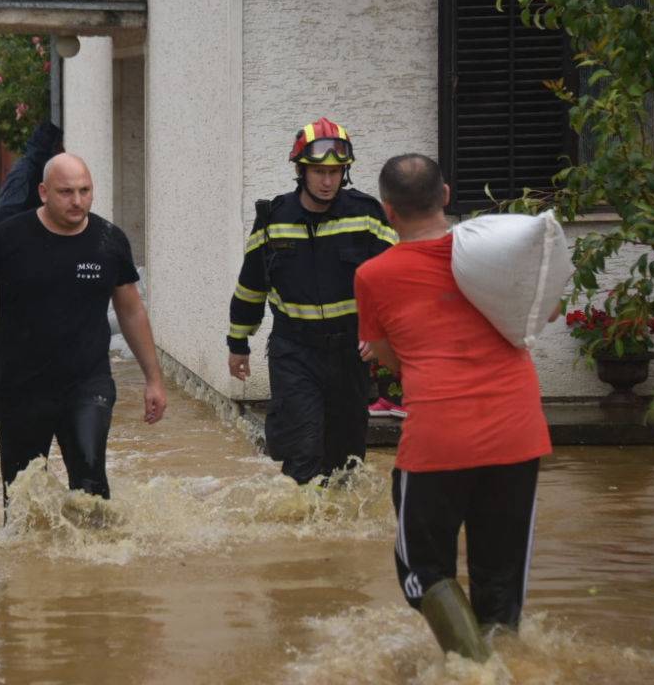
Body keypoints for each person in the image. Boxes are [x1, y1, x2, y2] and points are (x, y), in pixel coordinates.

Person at [355, 153, 554, 661]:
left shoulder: (374, 275)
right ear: (445, 195)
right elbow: (544, 309)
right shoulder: (497, 252)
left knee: (423, 570)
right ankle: (502, 665)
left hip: (438, 440)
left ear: (388, 212)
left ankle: (473, 671)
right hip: (517, 433)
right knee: (501, 578)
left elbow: (388, 360)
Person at [0, 153, 167, 512]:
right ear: (44, 192)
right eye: (66, 192)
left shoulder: (109, 240)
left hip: (87, 384)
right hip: (20, 388)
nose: (77, 201)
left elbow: (131, 312)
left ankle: (96, 565)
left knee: (91, 485)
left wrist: (153, 379)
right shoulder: (8, 237)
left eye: (85, 190)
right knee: (22, 503)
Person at [226, 117, 396, 485]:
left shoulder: (366, 216)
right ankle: (300, 528)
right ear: (301, 170)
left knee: (346, 460)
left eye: (336, 172)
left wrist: (379, 331)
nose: (327, 181)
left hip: (351, 353)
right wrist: (238, 344)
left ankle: (336, 538)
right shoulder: (273, 220)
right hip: (295, 352)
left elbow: (394, 280)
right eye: (319, 171)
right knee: (302, 450)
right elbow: (251, 286)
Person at [0, 120, 63, 225]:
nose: (63, 152)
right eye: (59, 148)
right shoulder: (24, 173)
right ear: (50, 148)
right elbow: (4, 213)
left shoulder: (40, 169)